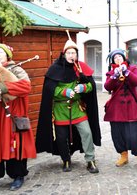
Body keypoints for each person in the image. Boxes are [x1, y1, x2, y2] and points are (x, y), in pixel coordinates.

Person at [36, 37, 101, 174]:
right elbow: (50, 89)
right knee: (61, 137)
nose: (72, 56)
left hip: (77, 108)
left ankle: (90, 160)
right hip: (60, 109)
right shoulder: (55, 68)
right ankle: (66, 159)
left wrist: (83, 88)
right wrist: (65, 91)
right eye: (69, 53)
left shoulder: (81, 67)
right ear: (64, 54)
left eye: (74, 53)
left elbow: (91, 86)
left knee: (87, 133)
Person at [0, 43, 36, 194]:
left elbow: (26, 87)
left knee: (14, 145)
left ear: (7, 55)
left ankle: (18, 176)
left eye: (0, 53)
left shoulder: (17, 70)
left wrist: (6, 88)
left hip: (13, 115)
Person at [104, 48, 137, 168]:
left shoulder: (132, 69)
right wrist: (114, 75)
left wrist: (127, 73)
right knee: (117, 134)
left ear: (124, 58)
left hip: (131, 107)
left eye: (120, 57)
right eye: (115, 58)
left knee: (134, 134)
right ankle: (123, 155)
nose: (118, 59)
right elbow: (107, 87)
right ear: (113, 61)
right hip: (116, 109)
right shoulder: (110, 72)